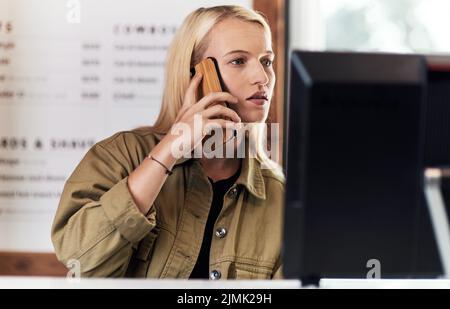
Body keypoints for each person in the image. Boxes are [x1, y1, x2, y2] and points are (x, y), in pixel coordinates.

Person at [51, 5, 284, 279]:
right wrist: (169, 150)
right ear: (195, 76)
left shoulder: (279, 197)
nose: (262, 78)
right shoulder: (119, 156)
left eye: (266, 61)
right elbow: (79, 258)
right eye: (238, 61)